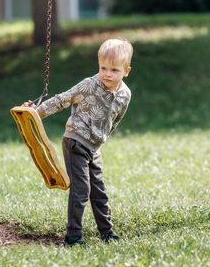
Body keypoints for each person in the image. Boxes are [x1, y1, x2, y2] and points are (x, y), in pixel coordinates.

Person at [26, 38, 133, 246]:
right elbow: (62, 99)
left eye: (114, 70)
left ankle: (107, 233)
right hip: (75, 141)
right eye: (103, 68)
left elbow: (115, 120)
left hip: (94, 147)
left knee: (99, 191)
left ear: (126, 70)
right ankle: (73, 235)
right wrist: (35, 113)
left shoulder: (125, 94)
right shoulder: (89, 85)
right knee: (81, 190)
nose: (107, 74)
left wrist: (102, 139)